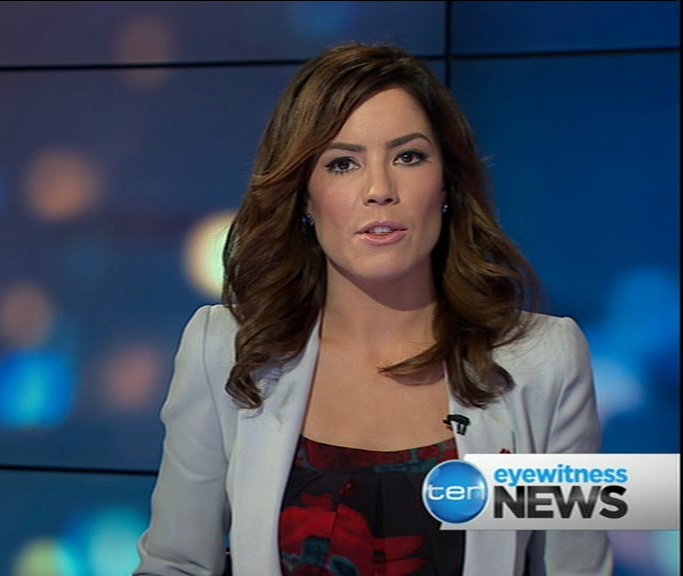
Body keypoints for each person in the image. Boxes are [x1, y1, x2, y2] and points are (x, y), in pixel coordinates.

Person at [134, 42, 611, 576]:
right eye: (343, 163)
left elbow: (575, 569)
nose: (380, 189)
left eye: (408, 157)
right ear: (304, 197)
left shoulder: (545, 362)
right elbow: (177, 565)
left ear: (447, 183)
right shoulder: (224, 348)